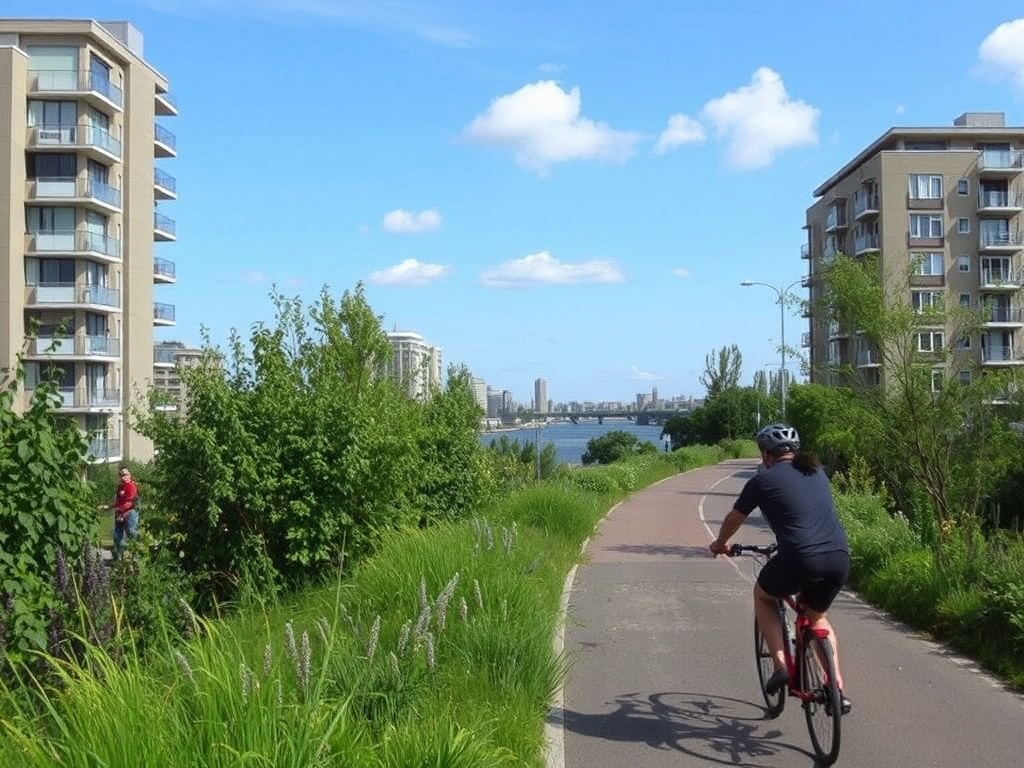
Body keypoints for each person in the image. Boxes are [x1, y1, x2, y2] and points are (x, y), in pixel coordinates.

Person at [709, 423, 852, 713]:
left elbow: (735, 518)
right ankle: (836, 688)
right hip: (838, 557)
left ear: (766, 454)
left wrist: (720, 544)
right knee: (818, 617)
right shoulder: (817, 471)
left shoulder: (763, 480)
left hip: (800, 557)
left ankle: (781, 665)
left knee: (763, 595)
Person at [104, 465, 139, 559]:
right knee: (117, 536)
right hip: (119, 514)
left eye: (125, 474)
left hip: (130, 513)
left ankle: (135, 556)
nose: (123, 476)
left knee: (131, 533)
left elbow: (130, 502)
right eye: (121, 475)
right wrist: (109, 507)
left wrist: (120, 510)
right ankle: (118, 557)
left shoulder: (131, 486)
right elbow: (118, 502)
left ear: (129, 475)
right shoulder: (120, 487)